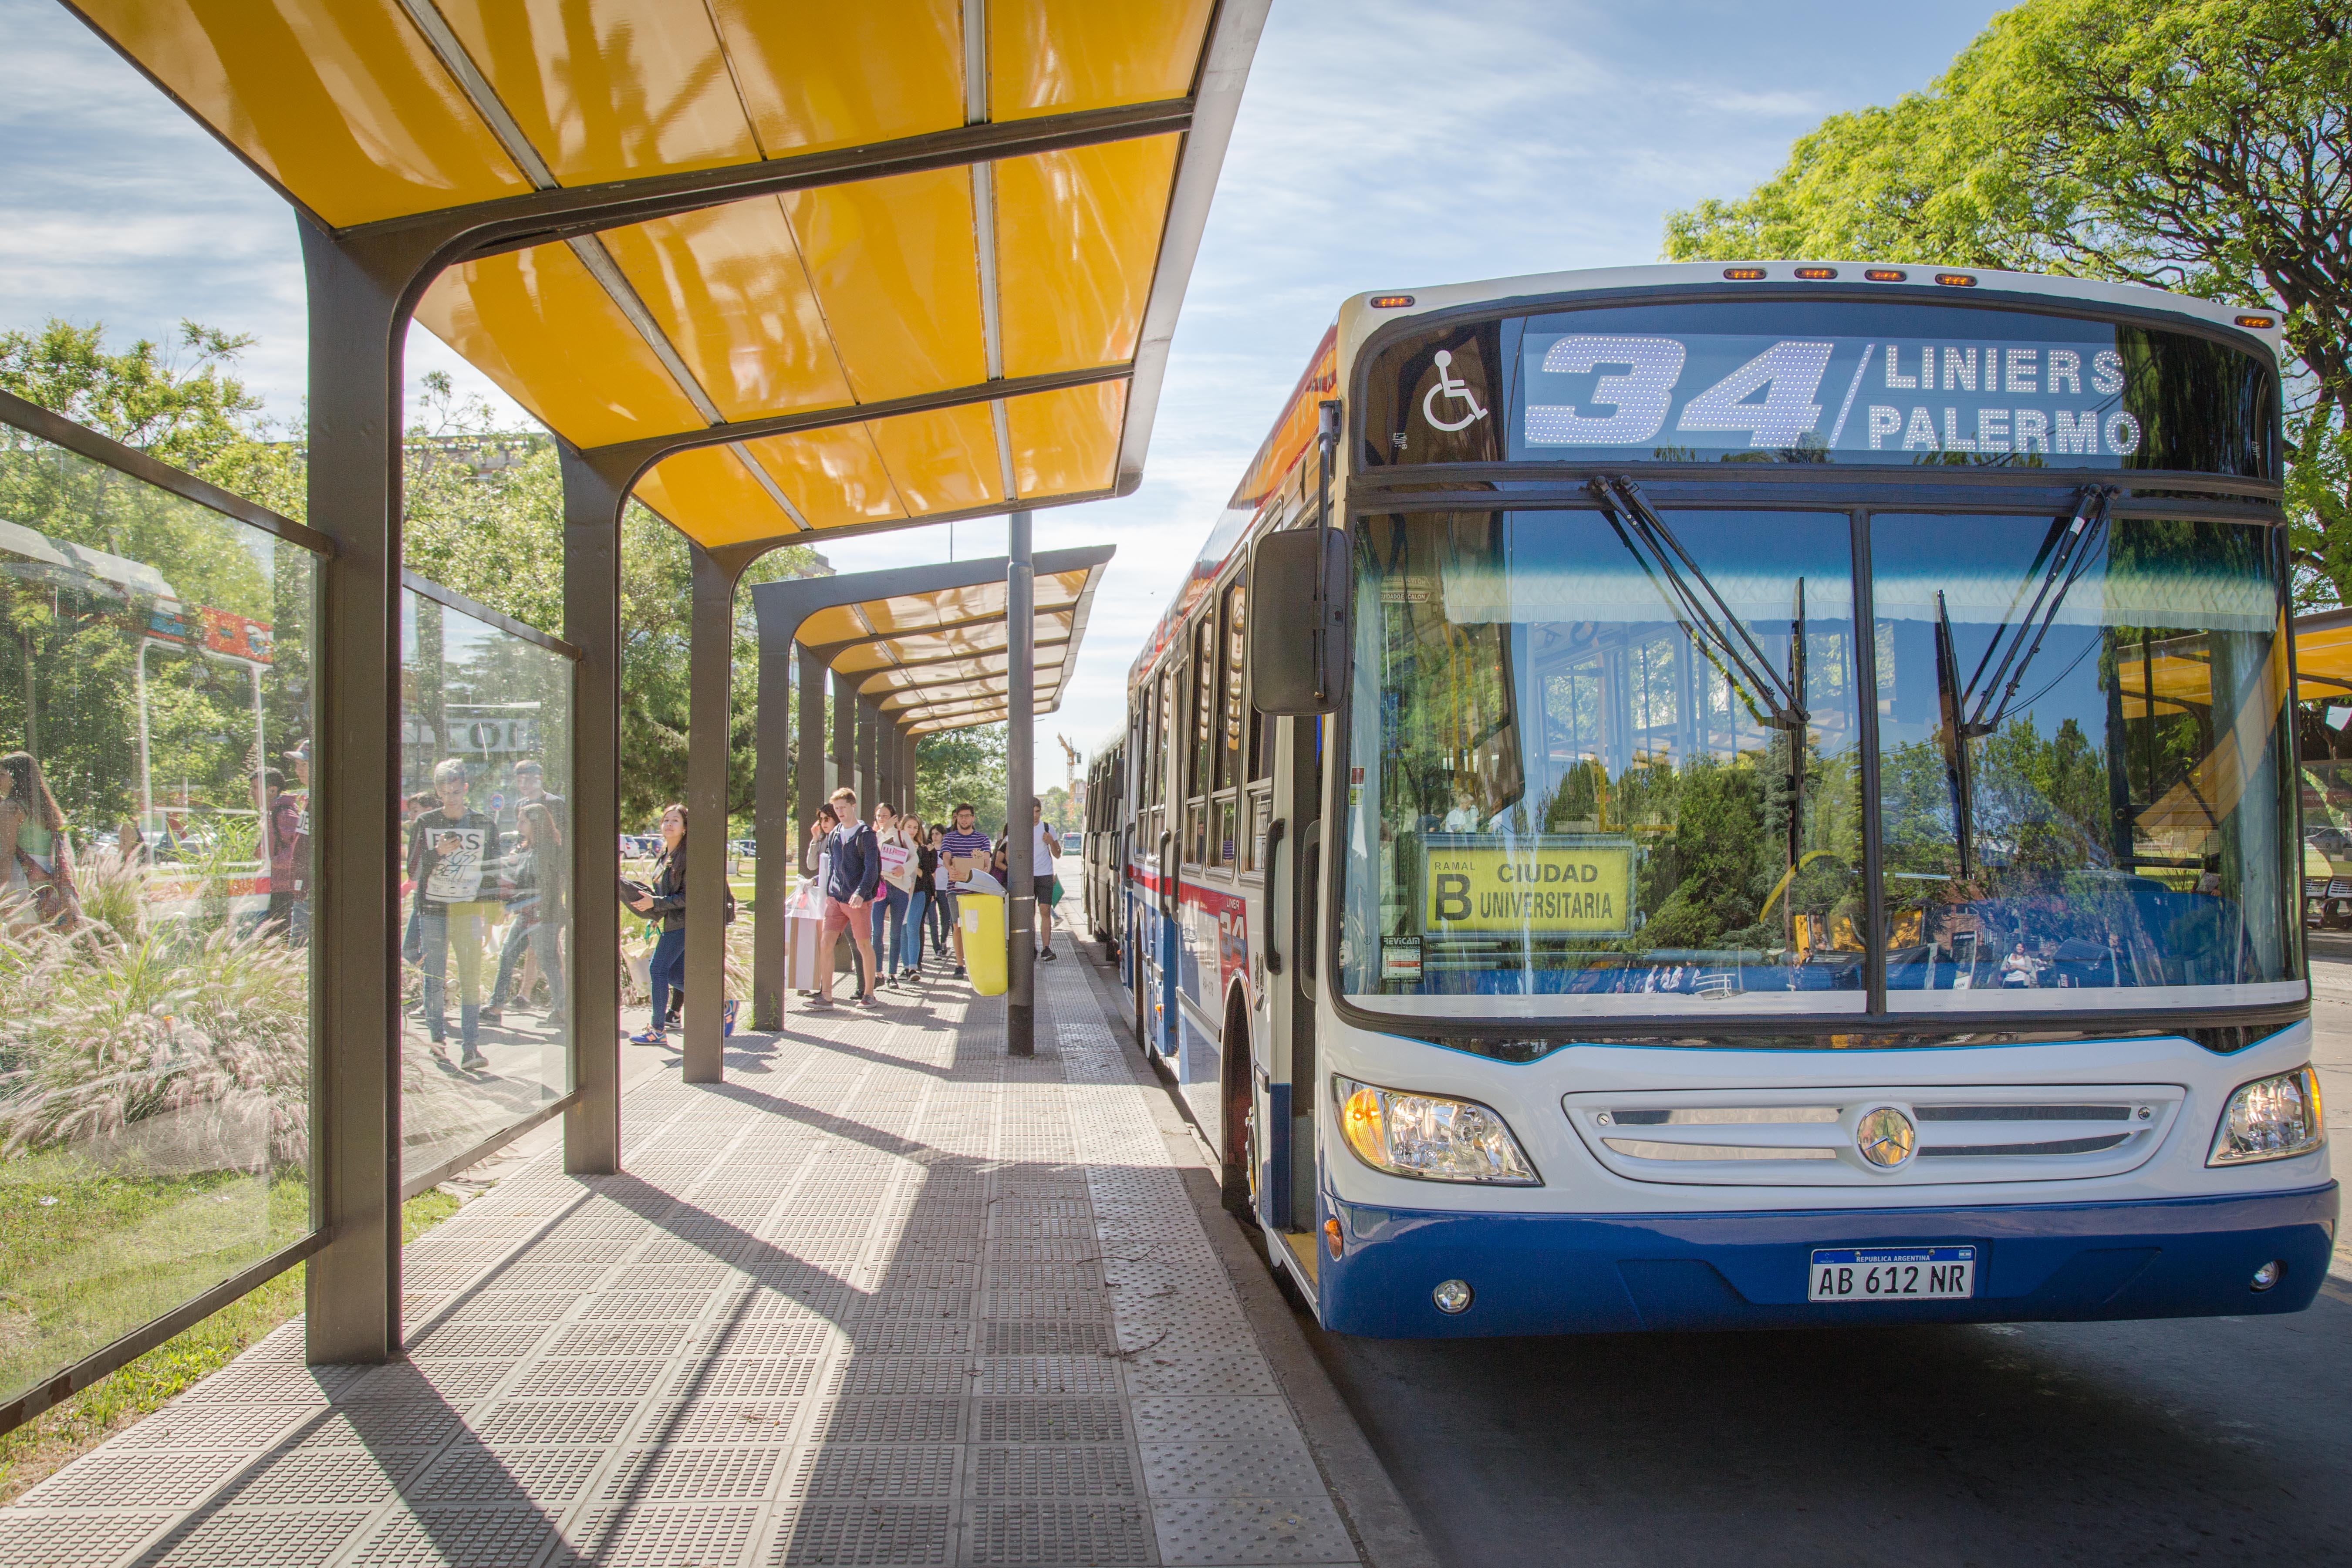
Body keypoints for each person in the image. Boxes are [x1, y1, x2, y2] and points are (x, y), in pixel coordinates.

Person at [407, 759, 499, 1069]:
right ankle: (438, 1043)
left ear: (465, 788)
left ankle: (471, 1047)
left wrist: (490, 915)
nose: (451, 798)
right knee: (434, 977)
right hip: (432, 910)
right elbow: (414, 869)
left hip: (469, 911)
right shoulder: (425, 822)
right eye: (445, 792)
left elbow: (492, 872)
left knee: (470, 977)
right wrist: (438, 853)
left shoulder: (484, 823)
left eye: (456, 791)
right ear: (437, 791)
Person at [487, 799, 566, 1027]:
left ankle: (561, 1011)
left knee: (549, 963)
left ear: (537, 824)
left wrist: (510, 907)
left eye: (524, 821)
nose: (519, 825)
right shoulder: (527, 848)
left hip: (544, 915)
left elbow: (544, 888)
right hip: (527, 914)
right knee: (507, 956)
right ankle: (496, 1006)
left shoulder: (548, 850)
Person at [626, 803, 688, 1044]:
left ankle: (657, 1030)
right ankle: (722, 1005)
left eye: (675, 821)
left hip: (682, 923)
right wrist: (655, 911)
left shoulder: (685, 856)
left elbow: (687, 897)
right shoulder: (665, 855)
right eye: (666, 821)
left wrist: (657, 904)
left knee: (658, 969)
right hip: (670, 922)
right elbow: (663, 893)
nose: (669, 825)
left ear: (684, 828)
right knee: (673, 973)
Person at [816, 784, 881, 1009]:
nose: (840, 812)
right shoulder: (835, 834)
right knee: (826, 943)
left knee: (864, 944)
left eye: (843, 807)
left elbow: (872, 868)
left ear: (853, 806)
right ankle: (826, 996)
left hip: (857, 899)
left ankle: (870, 993)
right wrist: (829, 893)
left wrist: (861, 893)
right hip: (837, 898)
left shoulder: (866, 835)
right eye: (837, 808)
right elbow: (833, 864)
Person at [0, 752, 79, 930]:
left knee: (22, 945)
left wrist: (2, 890)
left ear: (17, 778)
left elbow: (6, 853)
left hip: (19, 880)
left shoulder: (11, 808)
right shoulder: (45, 808)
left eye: (2, 775)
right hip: (47, 881)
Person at [938, 802, 991, 981]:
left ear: (973, 818)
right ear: (957, 818)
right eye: (961, 816)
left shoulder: (982, 838)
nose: (964, 819)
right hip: (956, 889)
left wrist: (986, 868)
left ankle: (977, 961)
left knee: (976, 927)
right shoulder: (950, 838)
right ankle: (960, 964)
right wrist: (949, 868)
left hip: (977, 889)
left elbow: (986, 860)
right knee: (957, 927)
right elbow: (946, 856)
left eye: (967, 816)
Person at [259, 767, 305, 940]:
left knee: (279, 937)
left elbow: (298, 847)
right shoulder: (273, 811)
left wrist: (273, 863)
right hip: (275, 884)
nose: (252, 794)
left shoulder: (283, 812)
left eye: (256, 788)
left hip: (284, 885)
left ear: (272, 790)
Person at [873, 801, 915, 986]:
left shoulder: (901, 835)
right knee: (877, 932)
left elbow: (915, 857)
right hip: (880, 886)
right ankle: (877, 973)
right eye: (879, 816)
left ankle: (892, 974)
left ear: (894, 817)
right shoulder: (874, 836)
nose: (882, 819)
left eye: (885, 816)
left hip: (899, 887)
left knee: (896, 932)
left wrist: (903, 869)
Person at [1028, 796, 1060, 961]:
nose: (1035, 816)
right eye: (1032, 812)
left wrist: (1051, 842)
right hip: (1027, 876)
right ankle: (1031, 947)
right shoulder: (1020, 828)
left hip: (1045, 874)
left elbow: (1058, 854)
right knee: (1029, 913)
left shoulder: (1048, 828)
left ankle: (1046, 948)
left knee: (1045, 910)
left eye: (1038, 812)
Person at [906, 817, 936, 982]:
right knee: (900, 930)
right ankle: (903, 967)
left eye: (915, 827)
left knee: (915, 927)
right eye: (908, 827)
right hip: (899, 891)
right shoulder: (894, 846)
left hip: (920, 891)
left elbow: (927, 873)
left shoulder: (924, 850)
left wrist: (912, 866)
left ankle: (914, 965)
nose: (912, 830)